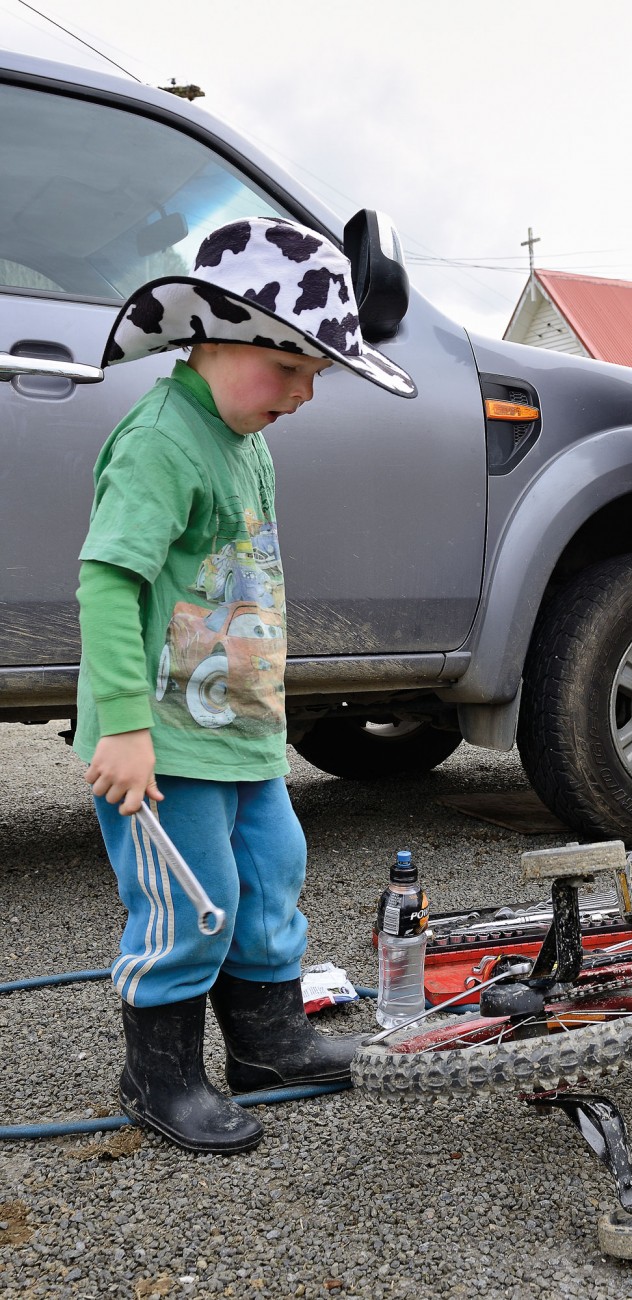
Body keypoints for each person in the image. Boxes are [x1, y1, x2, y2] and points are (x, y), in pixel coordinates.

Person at [75, 216, 416, 1153]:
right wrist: (124, 725)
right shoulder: (160, 443)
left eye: (317, 377)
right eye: (294, 371)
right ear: (221, 334)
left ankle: (268, 1043)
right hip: (164, 737)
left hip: (240, 728)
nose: (306, 395)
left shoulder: (247, 440)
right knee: (192, 900)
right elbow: (109, 581)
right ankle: (160, 1077)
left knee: (270, 878)